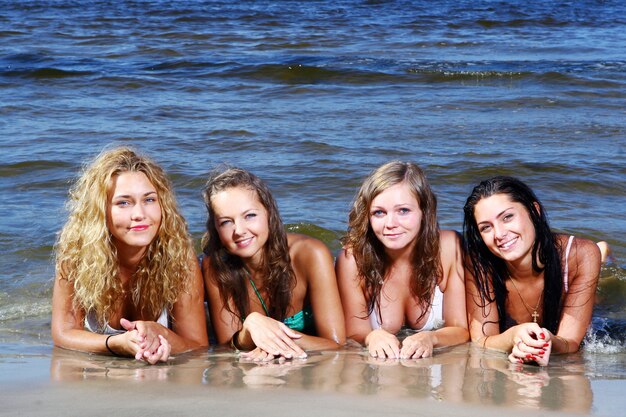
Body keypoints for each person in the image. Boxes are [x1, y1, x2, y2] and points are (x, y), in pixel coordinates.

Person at [51, 147, 208, 364]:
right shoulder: (76, 255)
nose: (140, 214)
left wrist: (160, 332)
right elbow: (63, 334)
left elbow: (197, 345)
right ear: (100, 211)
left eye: (150, 200)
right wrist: (114, 344)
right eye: (123, 202)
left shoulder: (178, 255)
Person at [202, 167, 345, 361]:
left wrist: (273, 337)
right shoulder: (215, 265)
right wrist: (250, 328)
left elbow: (337, 347)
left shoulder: (311, 254)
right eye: (226, 222)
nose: (239, 230)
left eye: (250, 215)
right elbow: (226, 348)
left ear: (269, 213)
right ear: (215, 228)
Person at [463, 176, 601, 366]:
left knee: (600, 301)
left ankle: (604, 253)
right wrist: (513, 338)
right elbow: (481, 341)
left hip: (573, 278)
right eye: (486, 227)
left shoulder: (581, 254)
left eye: (507, 217)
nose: (499, 234)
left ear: (534, 211)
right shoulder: (479, 263)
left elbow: (571, 344)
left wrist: (546, 340)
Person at [336, 161, 468, 359]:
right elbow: (354, 333)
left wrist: (431, 338)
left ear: (425, 211)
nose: (391, 224)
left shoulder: (449, 248)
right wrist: (372, 337)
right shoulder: (353, 259)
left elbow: (460, 329)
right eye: (379, 212)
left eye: (403, 211)